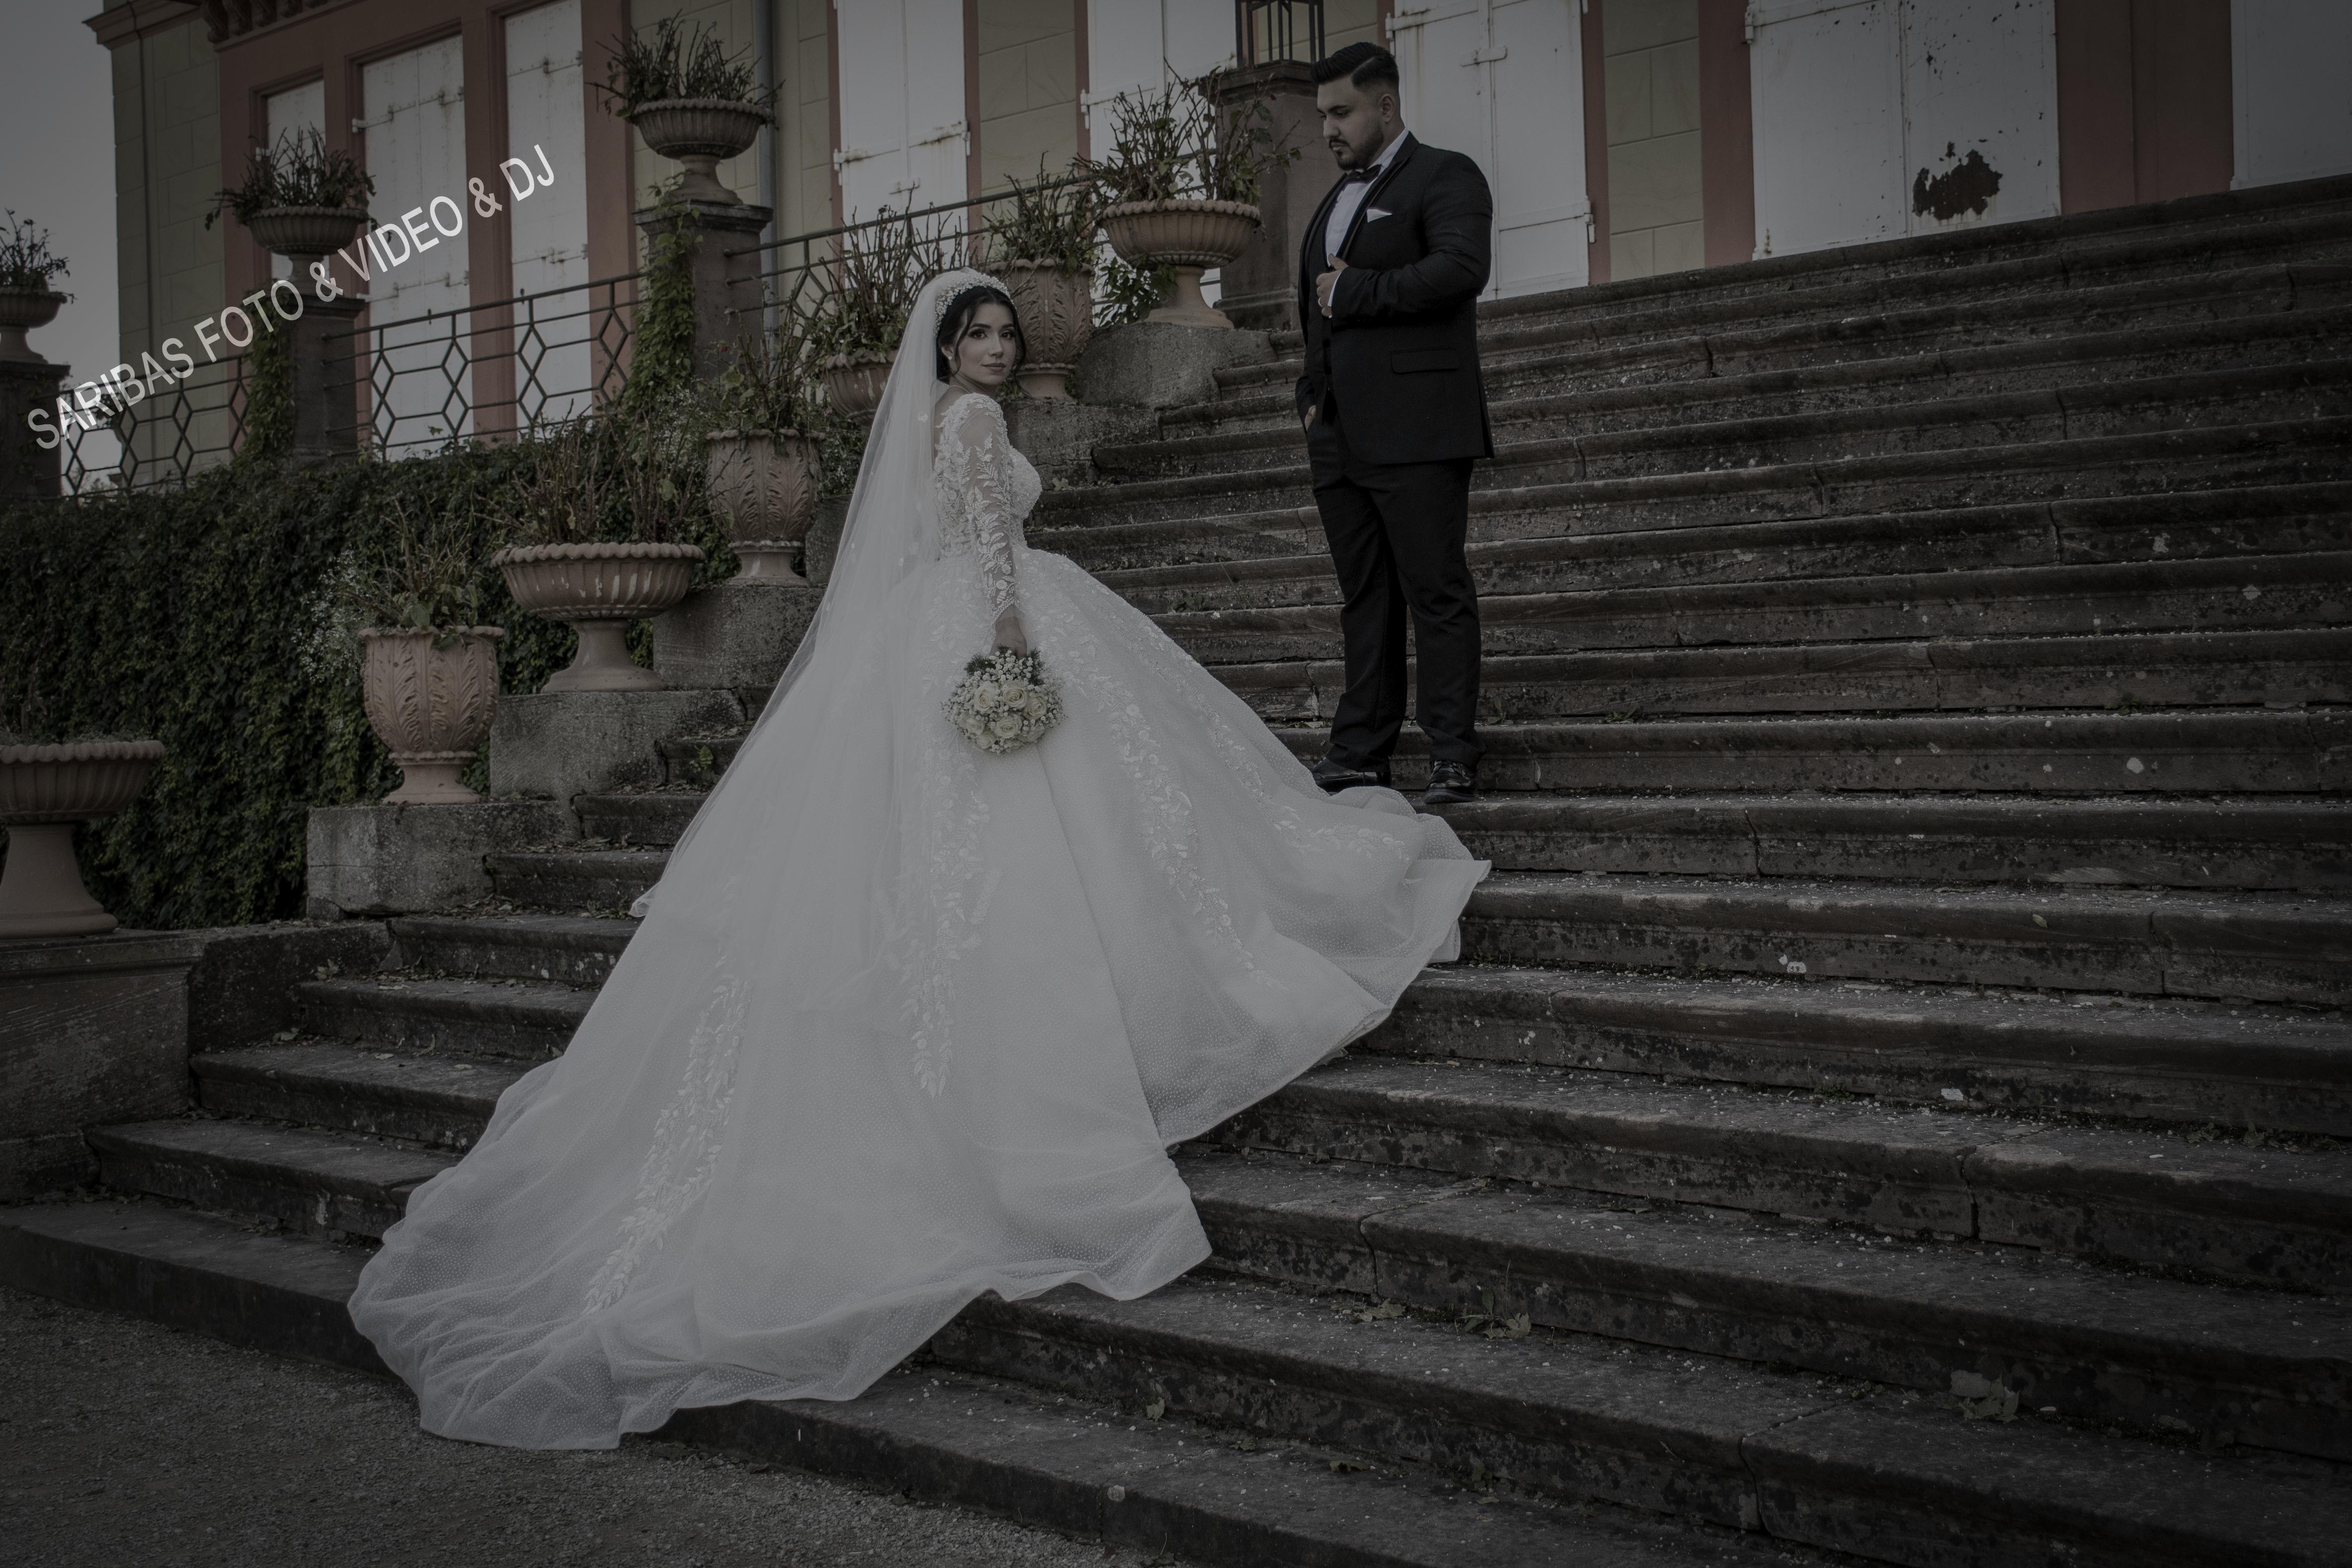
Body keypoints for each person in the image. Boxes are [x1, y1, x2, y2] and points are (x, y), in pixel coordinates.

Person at [347, 268, 1490, 1451]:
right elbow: (991, 538)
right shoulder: (975, 420)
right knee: (1063, 831)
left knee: (980, 856)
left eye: (1005, 333)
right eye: (978, 334)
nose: (996, 349)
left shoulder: (934, 423)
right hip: (993, 624)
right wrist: (1006, 641)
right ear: (944, 351)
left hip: (926, 629)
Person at [1295, 41, 1495, 806]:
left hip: (1419, 428)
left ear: (1386, 105)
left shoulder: (1447, 174)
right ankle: (1360, 751)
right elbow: (1313, 307)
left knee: (1435, 590)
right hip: (1338, 432)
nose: (1328, 130)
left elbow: (1460, 267)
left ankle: (1452, 752)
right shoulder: (1333, 198)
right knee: (1364, 598)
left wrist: (1359, 292)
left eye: (1341, 112)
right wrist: (1309, 395)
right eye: (1322, 116)